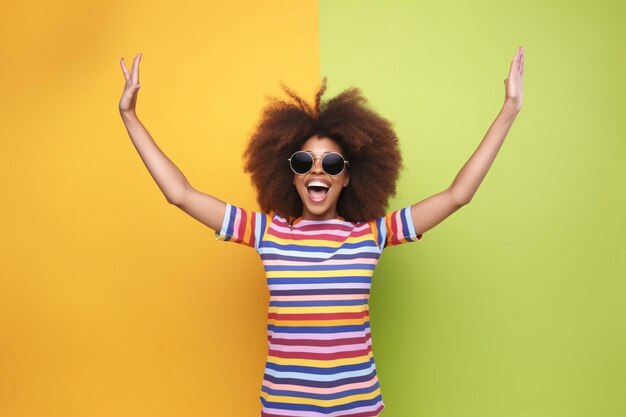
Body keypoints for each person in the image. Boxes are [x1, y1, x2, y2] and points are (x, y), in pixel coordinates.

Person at [118, 47, 524, 417]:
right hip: (284, 410)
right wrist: (130, 118)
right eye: (303, 162)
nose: (317, 170)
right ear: (289, 174)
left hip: (359, 408)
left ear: (348, 177)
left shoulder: (372, 235)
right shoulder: (266, 232)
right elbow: (180, 193)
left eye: (332, 163)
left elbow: (458, 194)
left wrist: (508, 110)